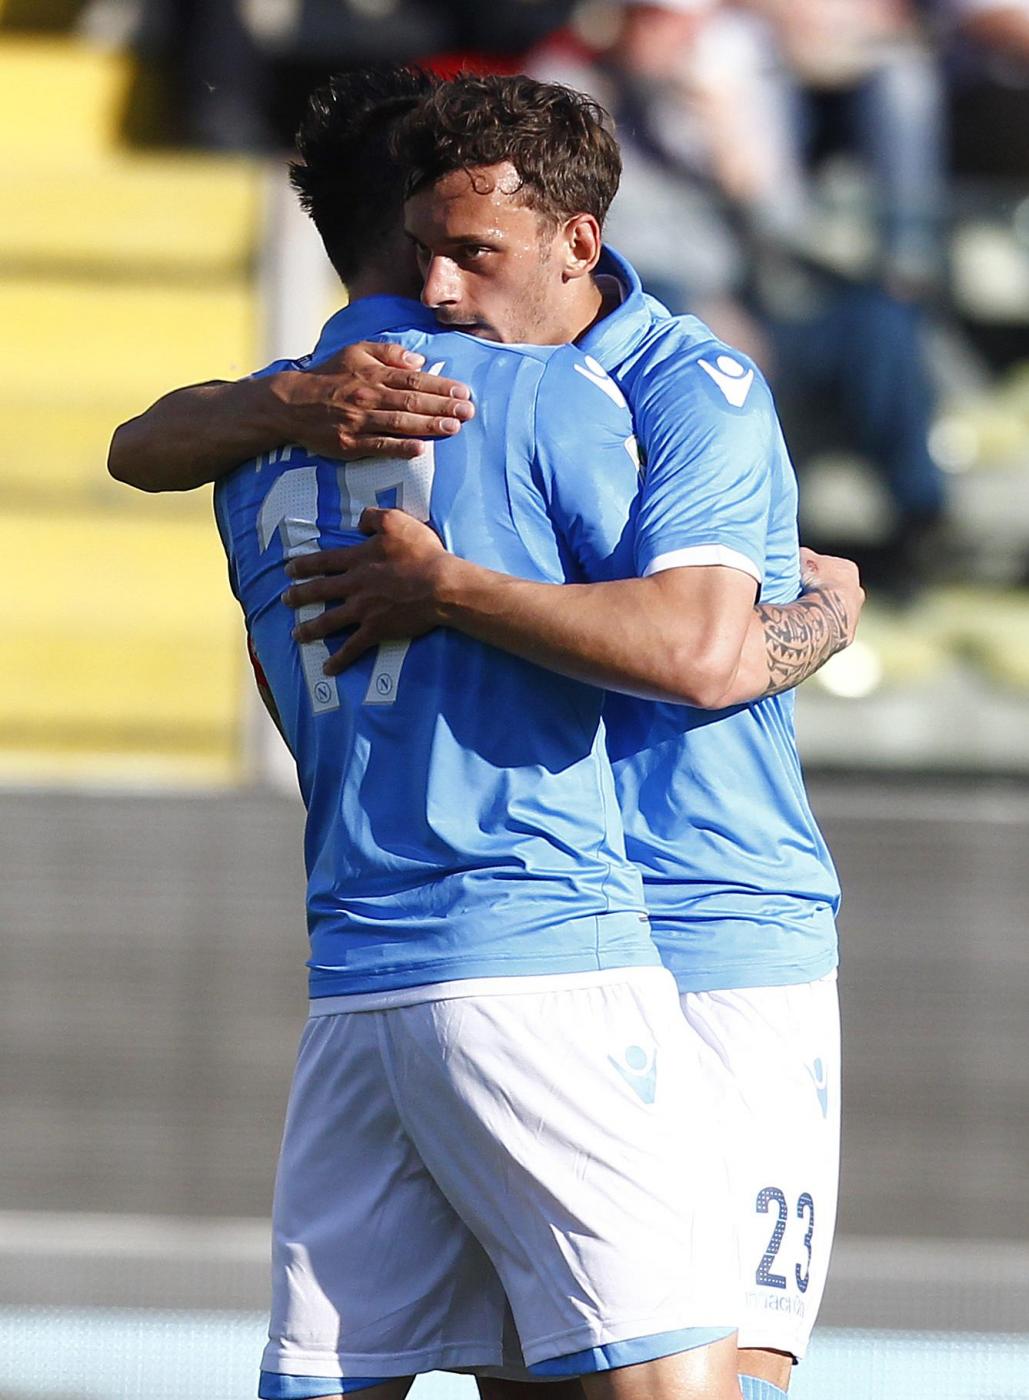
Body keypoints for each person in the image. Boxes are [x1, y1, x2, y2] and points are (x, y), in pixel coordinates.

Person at [109, 69, 863, 1400]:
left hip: (709, 916)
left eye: (473, 250)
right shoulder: (424, 398)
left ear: (571, 238)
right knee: (596, 1371)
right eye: (428, 246)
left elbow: (697, 658)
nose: (445, 287)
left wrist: (810, 623)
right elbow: (703, 653)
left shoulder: (688, 387)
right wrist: (824, 618)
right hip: (548, 937)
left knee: (701, 1366)